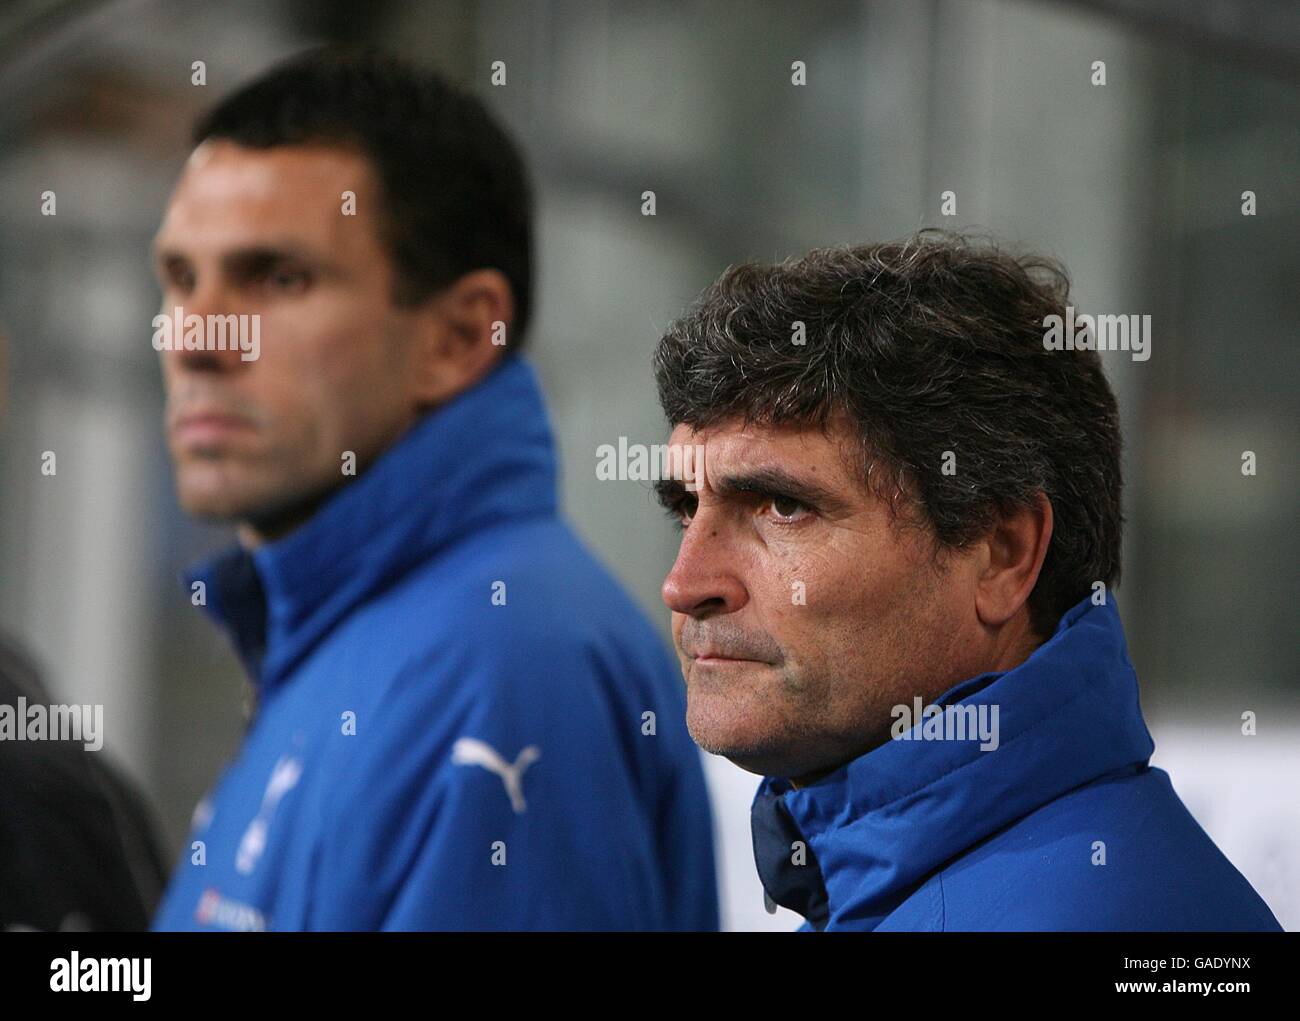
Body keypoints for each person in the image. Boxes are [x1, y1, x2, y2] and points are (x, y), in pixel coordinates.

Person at [149, 47, 717, 931]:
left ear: (458, 336)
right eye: (181, 278)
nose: (196, 336)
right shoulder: (353, 636)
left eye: (279, 277)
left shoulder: (503, 670)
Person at [651, 231, 1282, 931]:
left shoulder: (1099, 916)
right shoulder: (887, 884)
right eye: (687, 508)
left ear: (1002, 553)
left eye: (783, 506)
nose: (685, 584)